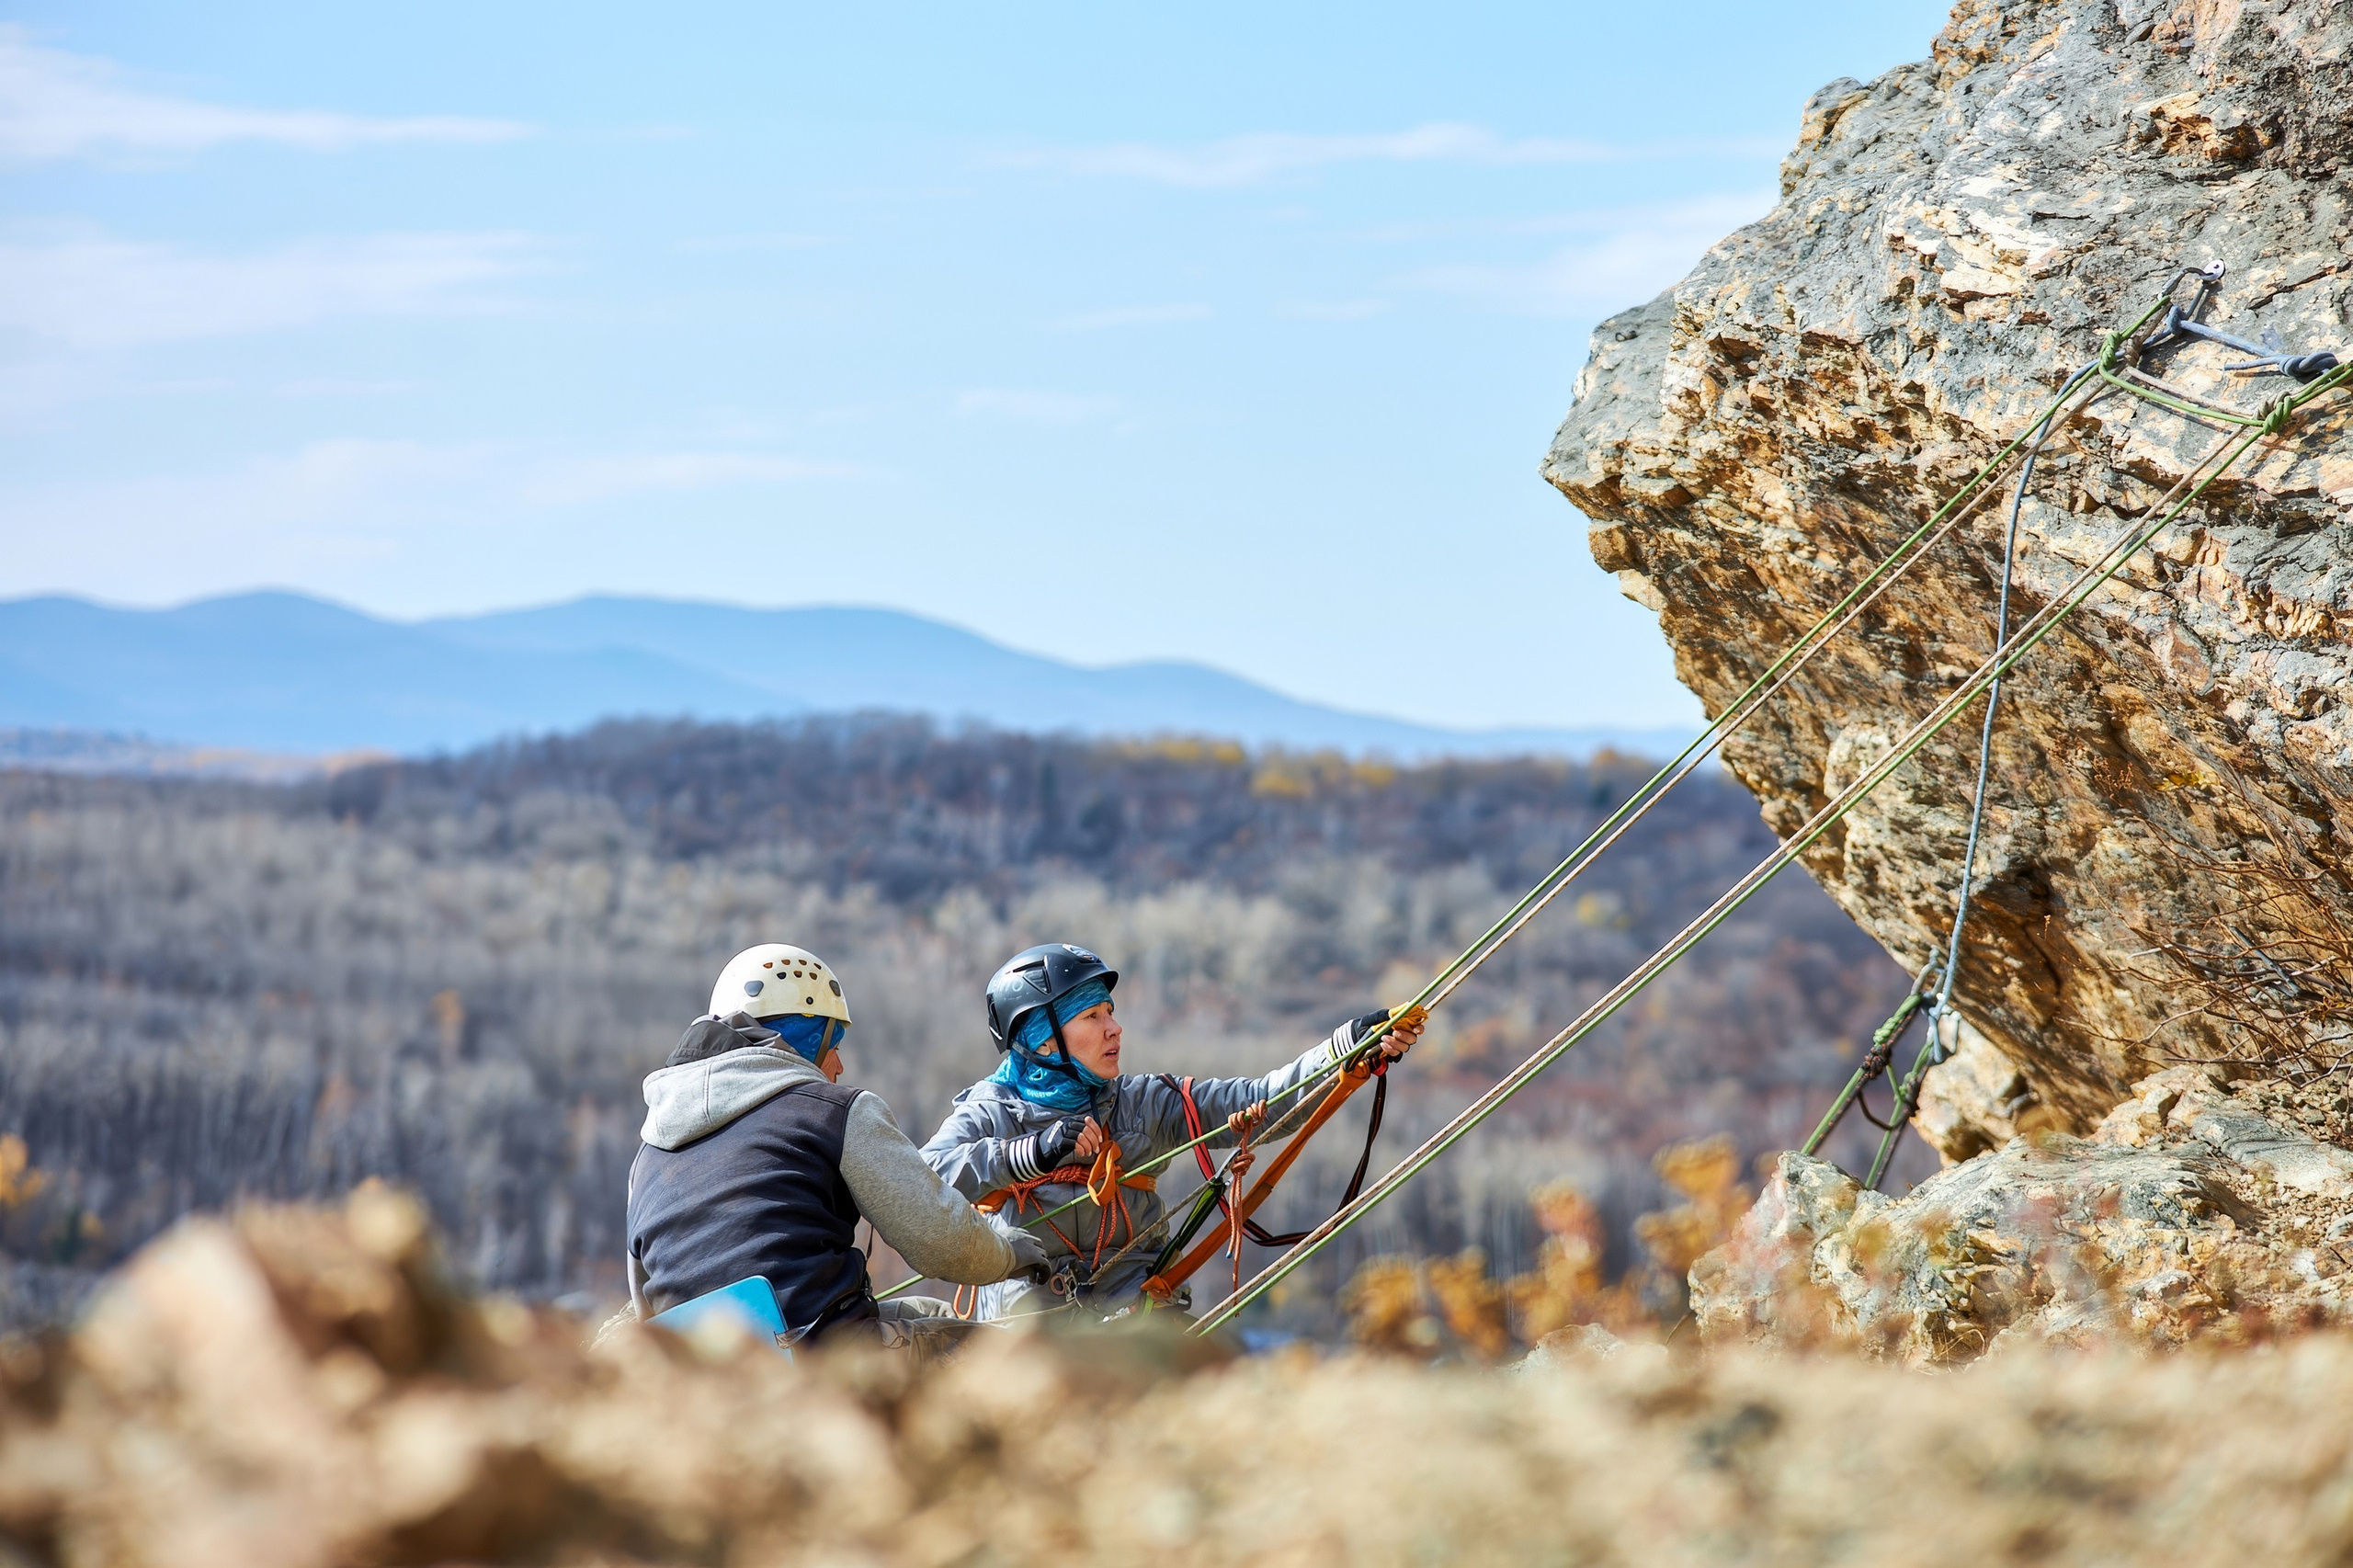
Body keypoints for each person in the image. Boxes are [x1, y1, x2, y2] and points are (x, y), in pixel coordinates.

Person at [919, 941, 1418, 1320]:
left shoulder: (1144, 1102)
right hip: (1025, 1330)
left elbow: (1259, 1102)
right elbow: (921, 1177)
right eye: (1092, 1016)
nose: (1115, 1028)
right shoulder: (988, 1112)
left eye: (1111, 1012)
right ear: (1044, 1041)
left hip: (1138, 1315)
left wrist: (1346, 1048)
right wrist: (1029, 1153)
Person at [625, 942, 1049, 1349]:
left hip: (698, 1374)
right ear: (807, 1041)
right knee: (1000, 1355)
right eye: (834, 1044)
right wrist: (1009, 1254)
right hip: (818, 1353)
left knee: (925, 1309)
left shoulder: (649, 1154)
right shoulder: (834, 1112)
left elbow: (643, 1299)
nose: (840, 1065)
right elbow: (940, 1242)